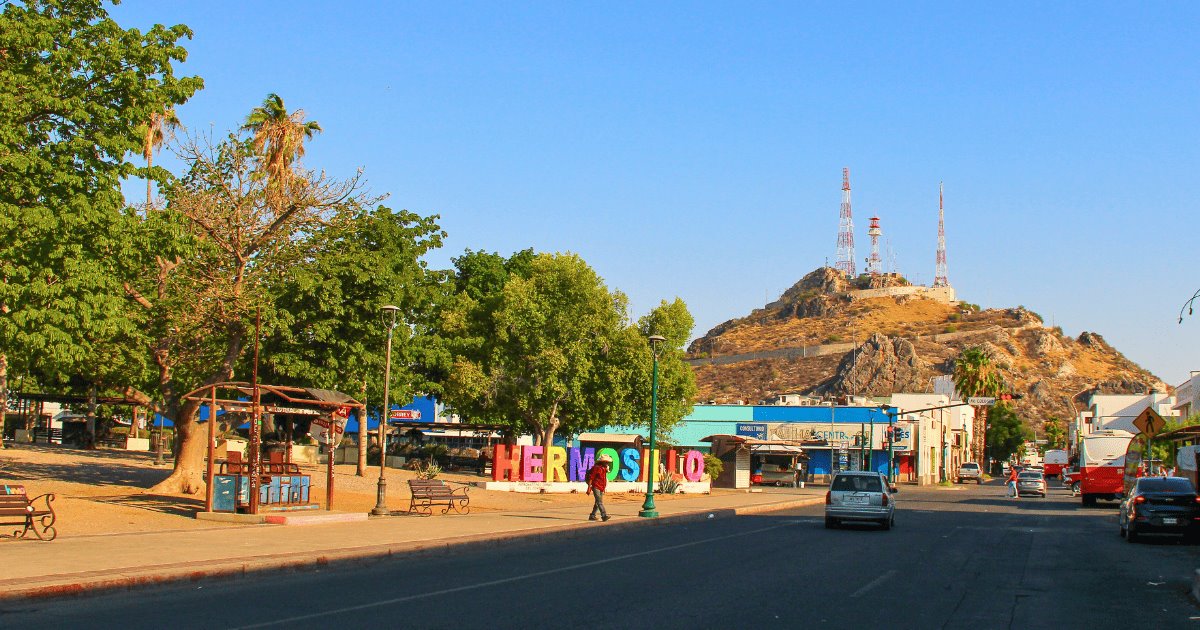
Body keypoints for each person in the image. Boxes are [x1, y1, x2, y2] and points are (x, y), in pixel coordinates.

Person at [586, 454, 613, 521]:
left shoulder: (604, 468)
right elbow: (591, 478)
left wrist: (603, 488)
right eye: (606, 462)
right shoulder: (596, 468)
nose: (607, 463)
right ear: (602, 461)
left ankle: (592, 515)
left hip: (601, 487)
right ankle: (604, 515)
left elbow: (603, 479)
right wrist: (589, 488)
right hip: (596, 486)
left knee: (597, 502)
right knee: (599, 502)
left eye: (607, 462)